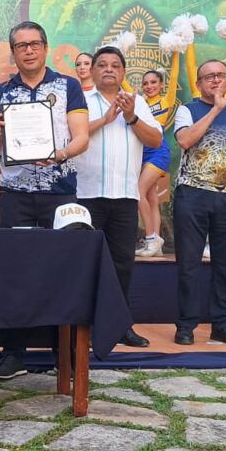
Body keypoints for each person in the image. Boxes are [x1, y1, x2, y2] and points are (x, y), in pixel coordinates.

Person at [0, 21, 89, 379]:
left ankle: (66, 353)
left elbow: (82, 138)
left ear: (45, 47)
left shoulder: (69, 86)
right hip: (16, 195)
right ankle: (14, 353)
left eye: (34, 44)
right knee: (15, 272)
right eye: (21, 45)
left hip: (60, 193)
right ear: (13, 52)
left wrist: (59, 154)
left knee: (63, 272)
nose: (28, 50)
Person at [77, 47, 163, 347]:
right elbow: (70, 137)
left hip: (125, 196)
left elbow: (156, 138)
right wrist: (105, 118)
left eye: (115, 65)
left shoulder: (137, 103)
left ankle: (121, 326)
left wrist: (130, 117)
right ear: (93, 70)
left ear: (124, 72)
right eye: (102, 65)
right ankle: (83, 328)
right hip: (86, 195)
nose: (109, 69)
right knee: (85, 264)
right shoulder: (81, 101)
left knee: (122, 264)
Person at [172, 60, 226, 346]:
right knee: (188, 264)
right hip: (192, 195)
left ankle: (222, 324)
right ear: (199, 84)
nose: (215, 80)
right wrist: (217, 109)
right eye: (209, 77)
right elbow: (185, 140)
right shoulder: (188, 109)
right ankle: (185, 325)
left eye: (221, 75)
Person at [136, 69, 178, 257]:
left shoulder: (166, 100)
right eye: (145, 83)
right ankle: (156, 246)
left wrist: (177, 49)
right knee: (152, 199)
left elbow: (174, 74)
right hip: (142, 153)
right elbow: (125, 85)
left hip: (158, 152)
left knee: (138, 192)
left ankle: (152, 238)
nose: (150, 86)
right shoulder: (140, 103)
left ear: (161, 84)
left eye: (154, 82)